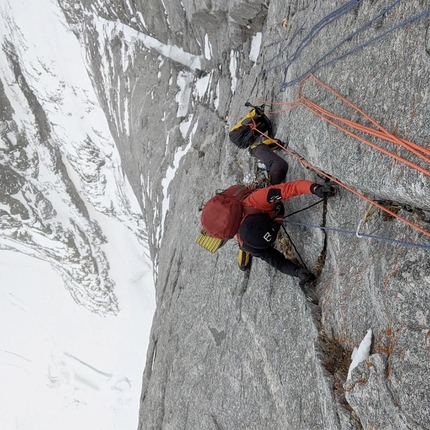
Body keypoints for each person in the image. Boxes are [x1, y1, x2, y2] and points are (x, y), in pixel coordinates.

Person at [238, 141, 336, 288]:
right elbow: (276, 260)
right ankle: (242, 252)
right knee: (246, 250)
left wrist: (315, 188)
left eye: (272, 224)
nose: (275, 225)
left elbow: (290, 189)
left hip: (260, 203)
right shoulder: (251, 246)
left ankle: (257, 149)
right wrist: (297, 272)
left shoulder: (258, 201)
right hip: (249, 239)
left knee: (279, 167)